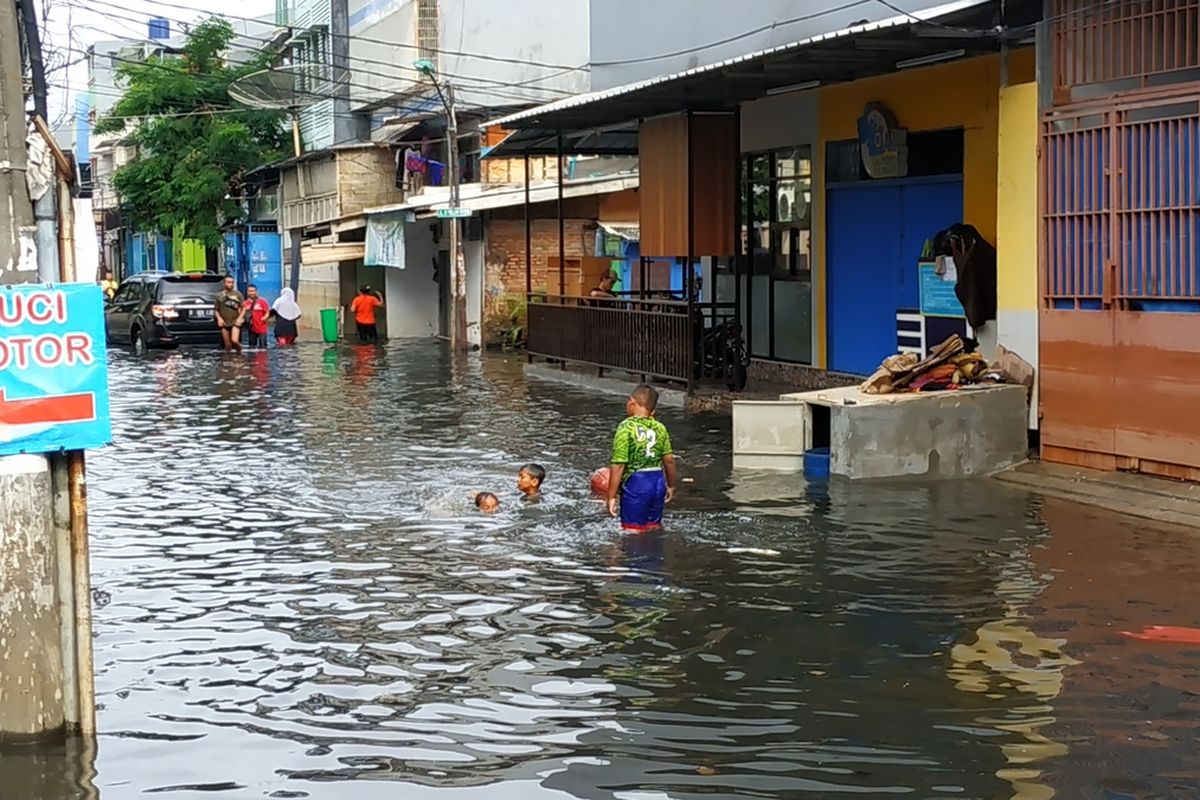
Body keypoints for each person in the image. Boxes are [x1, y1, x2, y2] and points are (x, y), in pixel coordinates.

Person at [606, 384, 677, 532]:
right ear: (652, 410)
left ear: (631, 402)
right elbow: (669, 461)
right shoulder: (660, 427)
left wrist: (611, 496)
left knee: (633, 532)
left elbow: (618, 465)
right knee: (654, 528)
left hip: (637, 484)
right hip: (658, 482)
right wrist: (670, 485)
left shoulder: (626, 427)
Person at [214, 275, 245, 352]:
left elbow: (244, 308)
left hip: (235, 321)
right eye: (228, 282)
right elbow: (216, 310)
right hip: (224, 322)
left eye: (232, 282)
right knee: (227, 345)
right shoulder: (219, 296)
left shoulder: (238, 294)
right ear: (224, 283)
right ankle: (229, 360)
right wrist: (219, 318)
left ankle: (241, 352)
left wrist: (240, 318)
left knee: (234, 340)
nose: (230, 284)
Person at [242, 284, 270, 349]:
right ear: (247, 292)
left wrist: (264, 318)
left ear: (256, 291)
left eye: (253, 291)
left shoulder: (262, 301)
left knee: (263, 347)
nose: (252, 293)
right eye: (250, 291)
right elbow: (242, 314)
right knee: (252, 346)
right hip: (251, 328)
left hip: (262, 328)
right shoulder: (245, 303)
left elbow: (267, 312)